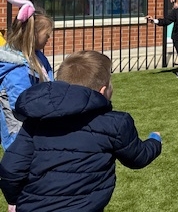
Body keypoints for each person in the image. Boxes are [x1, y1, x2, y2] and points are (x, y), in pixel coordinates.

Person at [0, 50, 162, 211]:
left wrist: (14, 200)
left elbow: (11, 168)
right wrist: (155, 140)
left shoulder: (36, 120)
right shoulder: (115, 123)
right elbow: (138, 157)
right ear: (103, 91)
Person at [0, 0, 54, 150]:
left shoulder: (37, 57)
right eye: (46, 34)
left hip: (36, 124)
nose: (49, 38)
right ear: (33, 34)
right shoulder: (16, 69)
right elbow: (20, 103)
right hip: (19, 133)